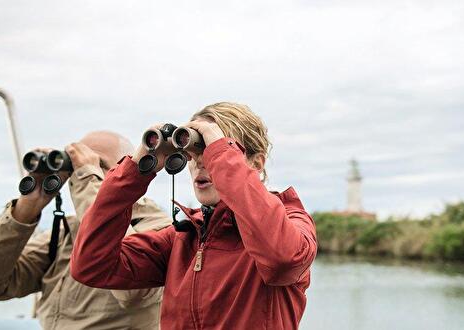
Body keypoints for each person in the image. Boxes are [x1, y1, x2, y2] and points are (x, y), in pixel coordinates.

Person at [70, 103, 318, 329]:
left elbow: (283, 259)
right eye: (193, 152)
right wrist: (135, 170)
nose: (201, 162)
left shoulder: (292, 221)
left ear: (256, 163)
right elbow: (92, 266)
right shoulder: (183, 238)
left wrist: (220, 152)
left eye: (212, 152)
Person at [0, 131, 171, 330]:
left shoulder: (158, 227)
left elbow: (132, 294)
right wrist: (26, 208)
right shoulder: (65, 233)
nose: (83, 172)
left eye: (99, 165)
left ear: (127, 169)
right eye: (76, 167)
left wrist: (91, 183)